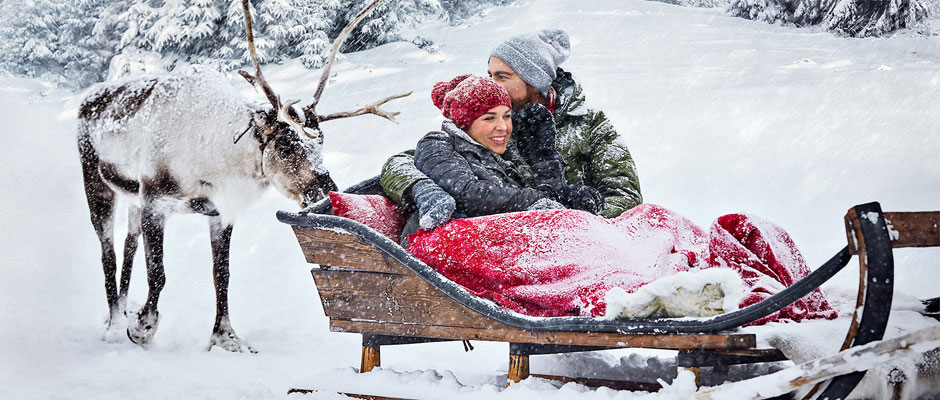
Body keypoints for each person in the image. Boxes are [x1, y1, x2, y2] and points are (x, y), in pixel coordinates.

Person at [381, 29, 642, 231]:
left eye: (502, 77)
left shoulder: (589, 126)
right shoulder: (490, 119)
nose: (491, 83)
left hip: (577, 240)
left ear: (534, 81)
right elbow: (410, 159)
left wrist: (572, 225)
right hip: (509, 238)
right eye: (490, 74)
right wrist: (420, 186)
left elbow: (624, 195)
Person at [403, 74, 565, 239]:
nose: (503, 127)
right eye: (489, 118)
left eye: (507, 116)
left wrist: (545, 156)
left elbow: (542, 191)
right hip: (438, 248)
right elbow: (469, 195)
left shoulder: (505, 155)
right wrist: (539, 198)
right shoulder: (438, 144)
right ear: (465, 122)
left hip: (493, 245)